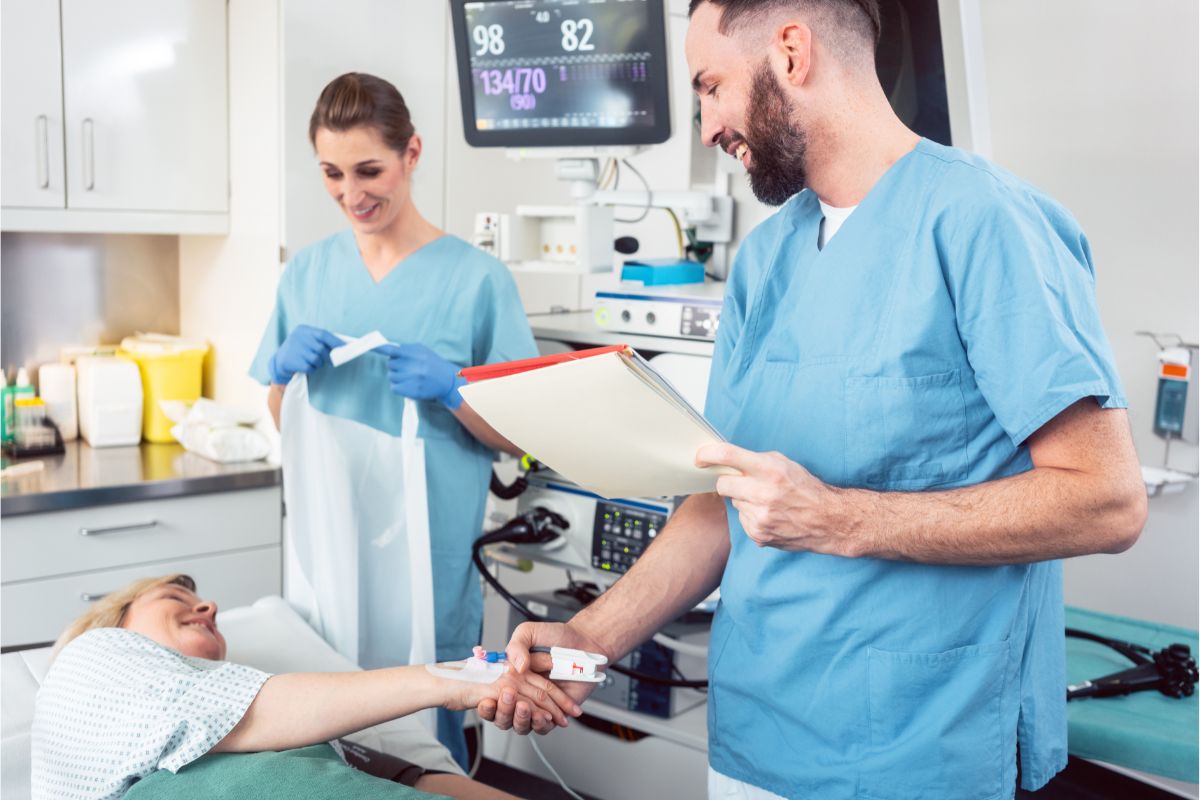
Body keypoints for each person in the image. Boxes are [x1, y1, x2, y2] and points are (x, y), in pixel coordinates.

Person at [480, 1, 1148, 798]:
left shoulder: (984, 223)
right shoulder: (767, 261)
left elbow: (1106, 502)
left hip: (916, 746)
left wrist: (843, 519)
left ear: (791, 52)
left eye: (711, 86)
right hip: (756, 734)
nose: (706, 125)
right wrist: (589, 638)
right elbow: (719, 501)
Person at [249, 72, 538, 767]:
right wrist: (284, 375)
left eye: (370, 169)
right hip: (330, 545)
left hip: (427, 556)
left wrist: (452, 391)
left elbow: (519, 436)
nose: (353, 194)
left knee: (427, 719)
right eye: (332, 173)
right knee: (329, 718)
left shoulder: (477, 281)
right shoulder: (307, 275)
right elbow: (282, 414)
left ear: (412, 153)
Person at [31, 574, 578, 800]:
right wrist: (455, 680)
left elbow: (413, 780)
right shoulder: (89, 661)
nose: (208, 606)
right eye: (176, 595)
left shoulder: (308, 729)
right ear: (115, 623)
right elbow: (248, 713)